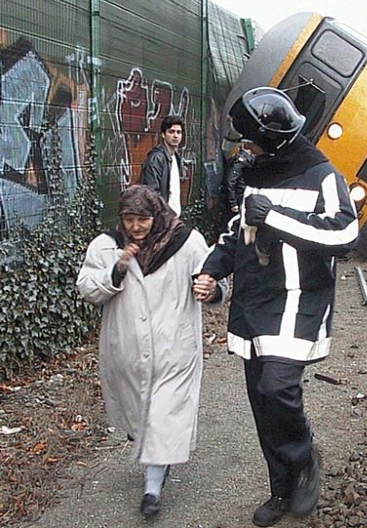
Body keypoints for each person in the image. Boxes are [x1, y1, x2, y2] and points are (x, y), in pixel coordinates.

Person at [193, 87, 359, 527]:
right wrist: (213, 270)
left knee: (277, 388)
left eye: (249, 141)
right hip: (255, 300)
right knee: (261, 403)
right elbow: (237, 230)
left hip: (300, 300)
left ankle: (304, 459)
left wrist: (276, 218)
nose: (244, 149)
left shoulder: (322, 174)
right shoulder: (256, 172)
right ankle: (281, 490)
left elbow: (345, 236)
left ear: (272, 137)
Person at [76, 185, 224, 517]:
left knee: (162, 417)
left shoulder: (185, 242)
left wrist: (211, 290)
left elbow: (213, 277)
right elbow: (87, 287)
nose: (136, 227)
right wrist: (117, 270)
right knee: (139, 419)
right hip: (126, 351)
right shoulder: (107, 245)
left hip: (175, 348)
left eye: (142, 219)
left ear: (155, 215)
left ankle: (152, 489)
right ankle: (155, 458)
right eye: (129, 219)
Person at [140, 115, 185, 215]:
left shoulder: (175, 157)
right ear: (163, 134)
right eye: (171, 131)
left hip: (173, 217)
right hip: (163, 219)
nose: (175, 136)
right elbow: (151, 193)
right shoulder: (156, 158)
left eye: (179, 132)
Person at [221, 143, 254, 226]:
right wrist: (233, 203)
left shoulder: (247, 158)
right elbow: (230, 181)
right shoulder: (239, 160)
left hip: (242, 197)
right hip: (238, 198)